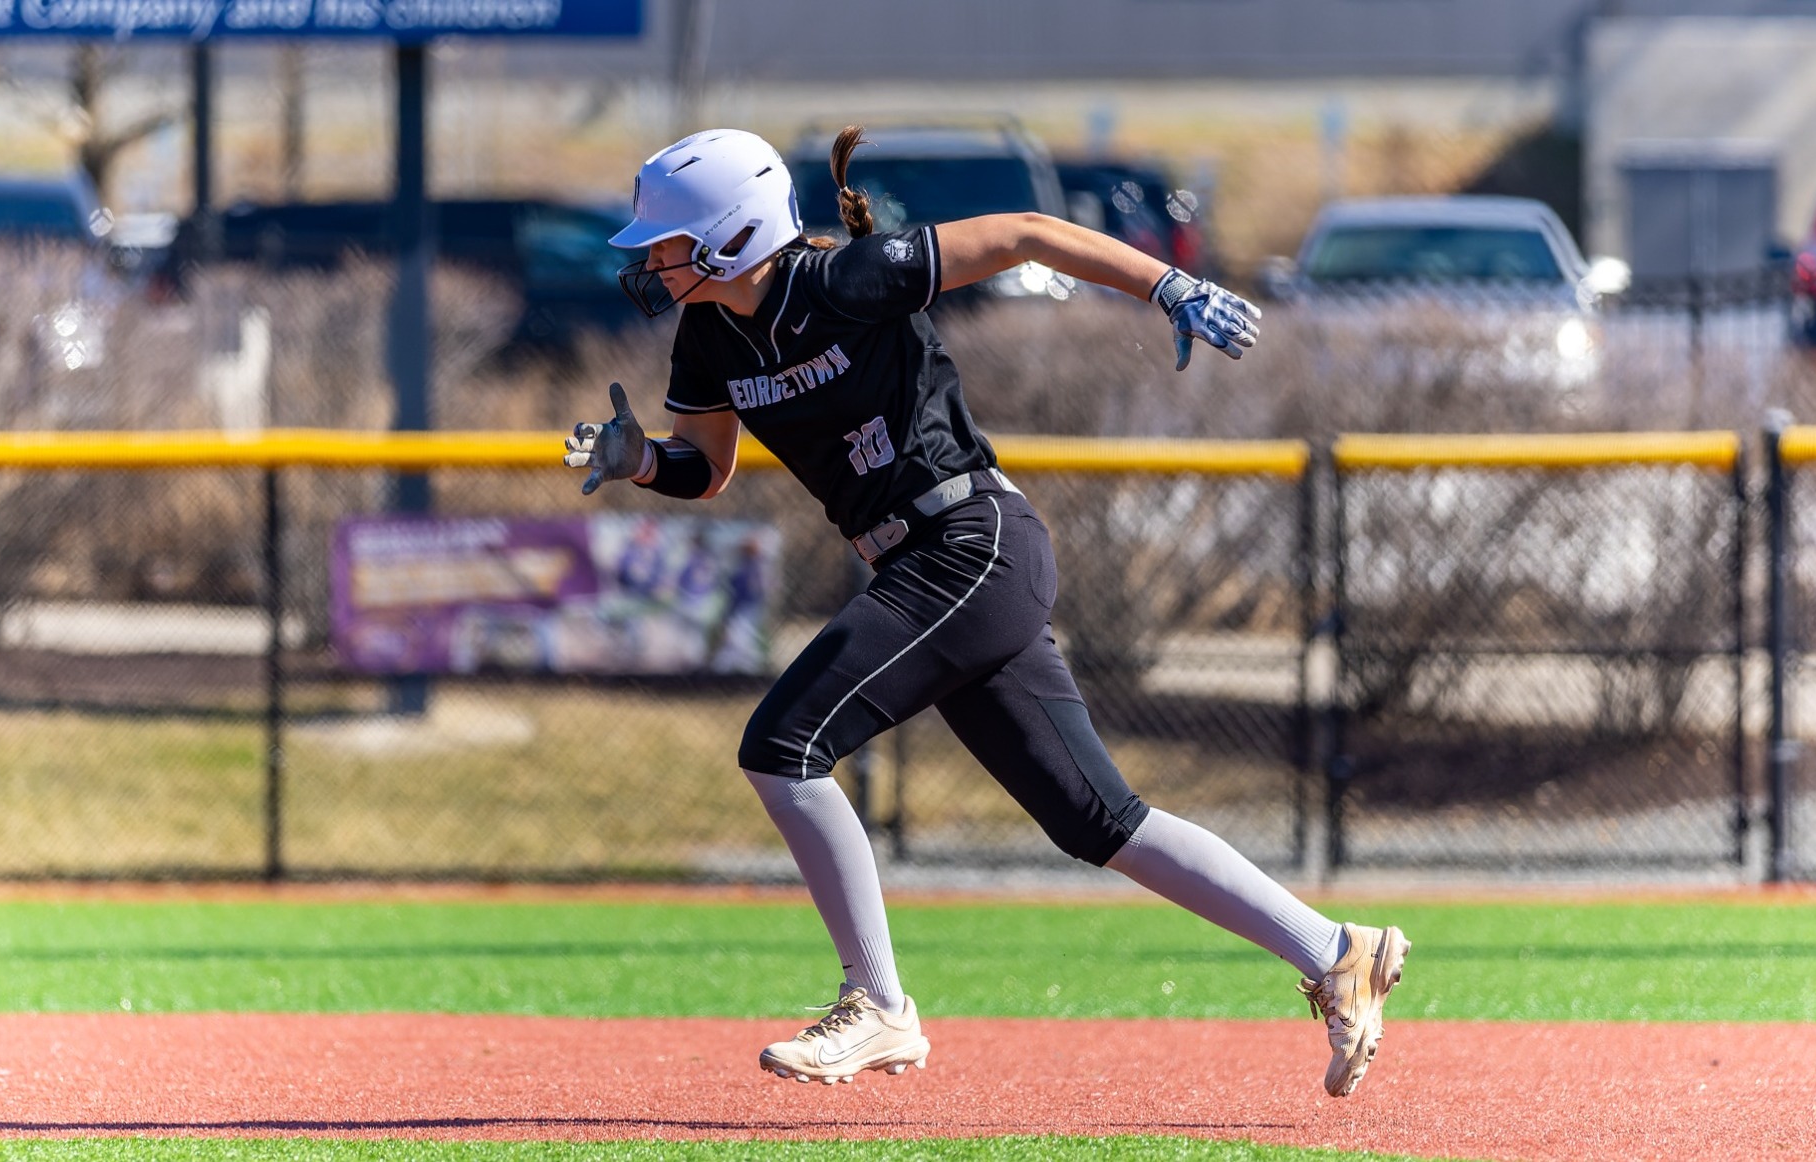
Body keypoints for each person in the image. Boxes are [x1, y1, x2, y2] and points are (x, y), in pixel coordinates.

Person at [563, 126, 1409, 1098]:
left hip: (972, 543)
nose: (647, 257)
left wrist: (1164, 285)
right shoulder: (708, 335)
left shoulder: (845, 280)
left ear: (728, 234)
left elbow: (1025, 234)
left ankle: (877, 1004)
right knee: (1099, 821)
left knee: (782, 744)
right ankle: (1334, 947)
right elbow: (704, 469)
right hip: (924, 564)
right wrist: (637, 461)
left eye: (665, 241)